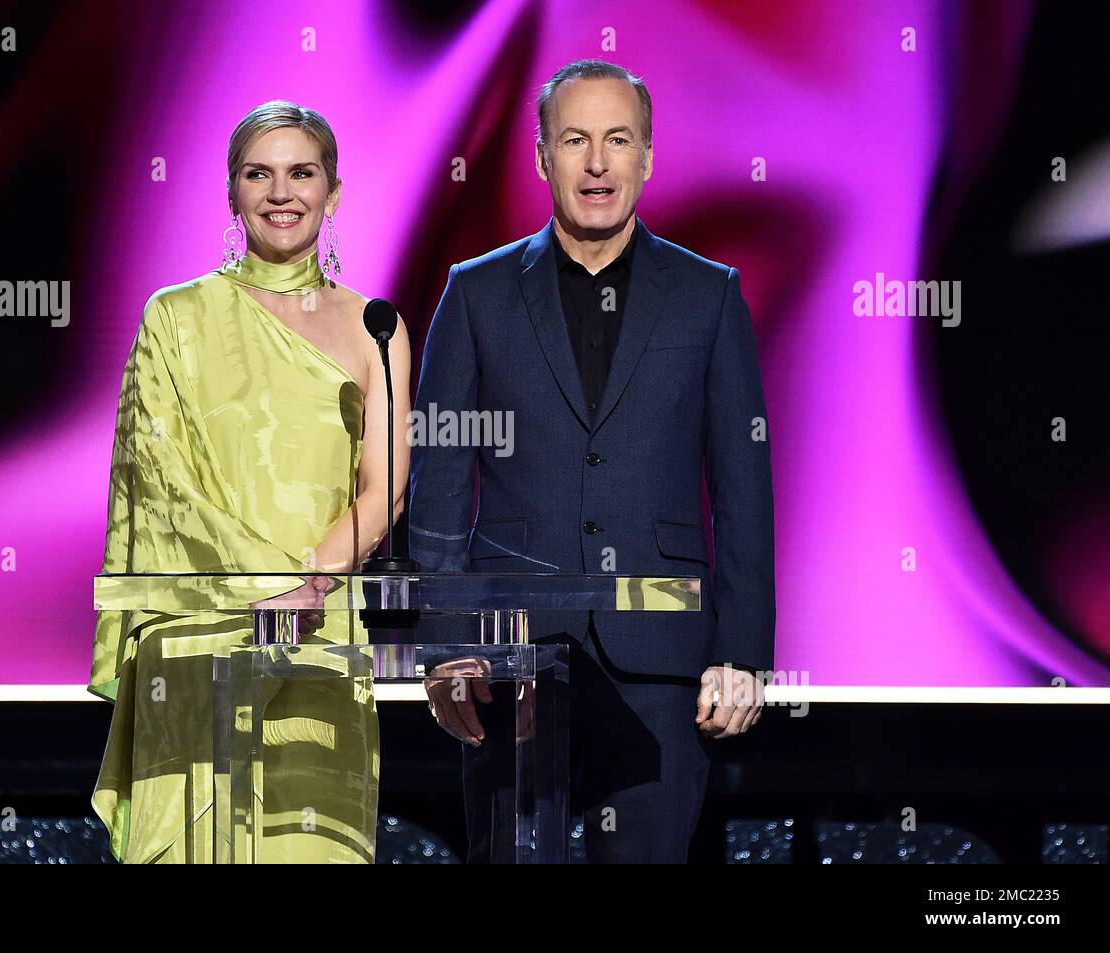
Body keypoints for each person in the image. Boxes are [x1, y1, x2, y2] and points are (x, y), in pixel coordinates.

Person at [409, 60, 774, 863]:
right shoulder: (477, 292)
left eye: (618, 140)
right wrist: (443, 644)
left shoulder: (708, 294)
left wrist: (743, 653)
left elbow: (743, 485)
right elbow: (435, 484)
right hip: (511, 659)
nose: (598, 162)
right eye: (575, 140)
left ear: (647, 156)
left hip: (662, 661)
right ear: (543, 157)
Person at [89, 100, 410, 863]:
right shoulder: (174, 317)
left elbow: (386, 487)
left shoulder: (376, 325)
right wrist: (259, 587)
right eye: (258, 174)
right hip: (198, 634)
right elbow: (155, 486)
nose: (281, 192)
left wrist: (309, 581)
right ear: (232, 192)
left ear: (333, 191)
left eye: (302, 173)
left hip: (320, 627)